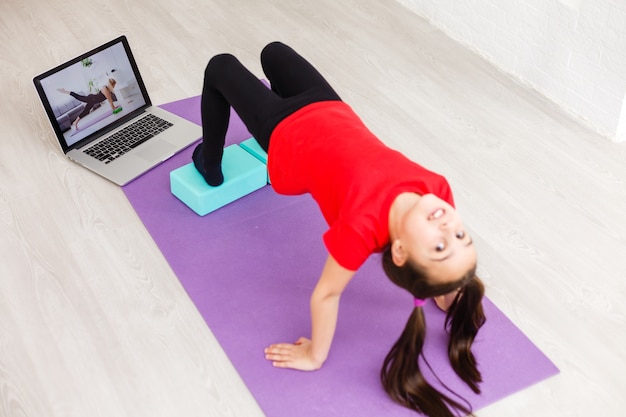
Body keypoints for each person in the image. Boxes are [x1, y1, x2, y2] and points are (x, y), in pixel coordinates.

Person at [194, 41, 486, 417]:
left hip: (286, 138)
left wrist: (315, 355)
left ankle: (210, 165)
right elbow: (443, 264)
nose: (450, 225)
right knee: (273, 53)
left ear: (399, 252)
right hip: (330, 108)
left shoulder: (361, 229)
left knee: (219, 66)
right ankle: (447, 280)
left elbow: (327, 296)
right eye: (461, 237)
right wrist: (447, 290)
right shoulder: (439, 192)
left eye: (440, 247)